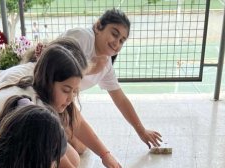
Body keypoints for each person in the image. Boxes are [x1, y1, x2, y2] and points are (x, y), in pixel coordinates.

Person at [0, 40, 126, 168]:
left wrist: (104, 154)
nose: (71, 97)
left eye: (75, 91)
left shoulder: (33, 82)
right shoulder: (35, 106)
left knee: (69, 158)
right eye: (67, 90)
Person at [62, 9, 162, 151]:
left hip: (64, 101)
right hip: (43, 89)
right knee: (76, 150)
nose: (117, 43)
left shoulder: (106, 63)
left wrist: (142, 131)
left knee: (82, 147)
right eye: (114, 34)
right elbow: (57, 70)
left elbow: (120, 99)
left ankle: (59, 131)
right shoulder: (82, 37)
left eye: (122, 40)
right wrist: (91, 68)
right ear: (98, 26)